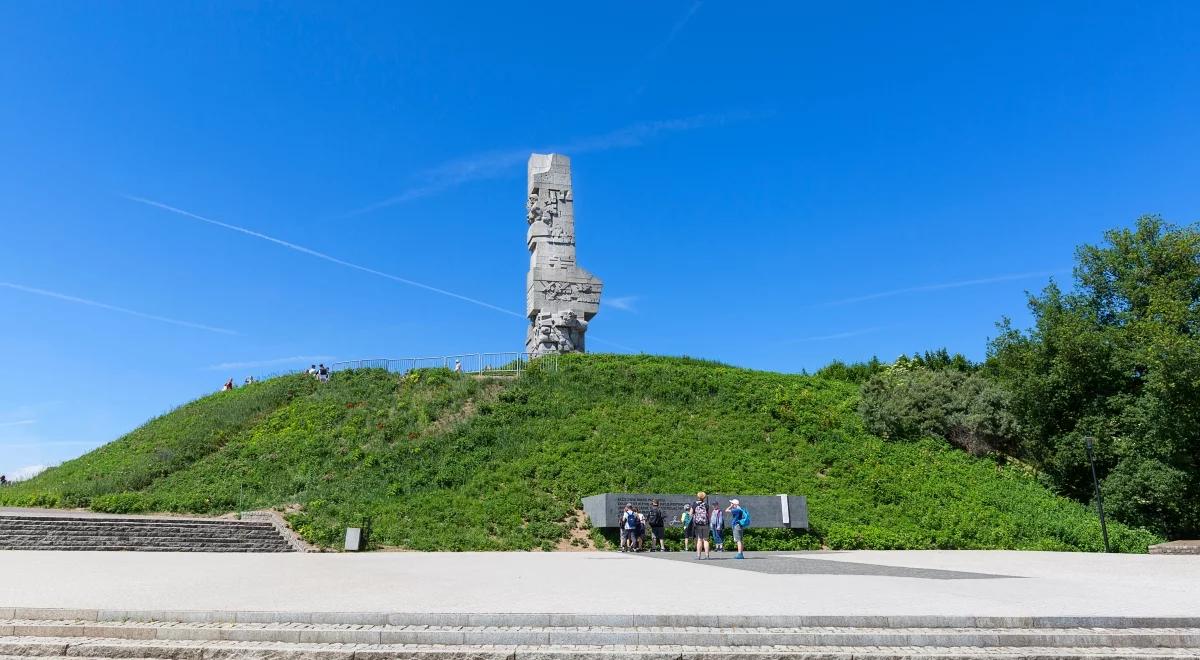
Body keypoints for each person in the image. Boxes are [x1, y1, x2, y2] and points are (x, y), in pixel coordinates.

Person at [691, 491, 712, 560]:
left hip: (698, 524)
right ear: (704, 497)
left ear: (698, 497)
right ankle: (707, 556)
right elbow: (709, 515)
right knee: (706, 540)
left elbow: (691, 514)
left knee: (699, 540)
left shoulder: (694, 504)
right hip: (705, 524)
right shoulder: (706, 505)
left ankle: (698, 556)